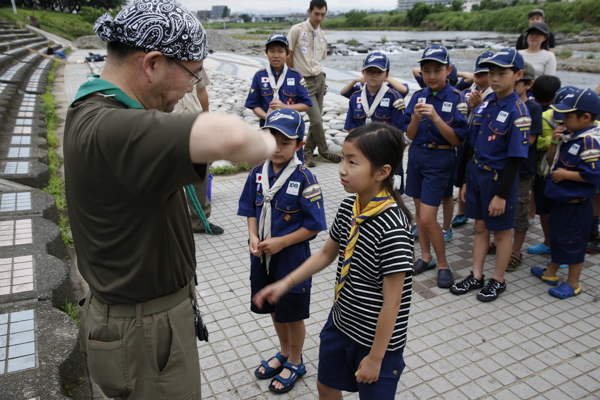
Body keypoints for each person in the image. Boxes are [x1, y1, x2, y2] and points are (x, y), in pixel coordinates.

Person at [64, 2, 276, 399]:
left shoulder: (91, 109)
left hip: (138, 324)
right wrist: (270, 141)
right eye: (193, 75)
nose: (192, 90)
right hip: (144, 333)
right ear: (153, 64)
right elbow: (230, 137)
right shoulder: (114, 127)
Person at [253, 123, 414, 400]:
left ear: (382, 172)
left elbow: (393, 302)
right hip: (341, 323)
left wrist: (376, 358)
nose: (341, 169)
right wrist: (285, 283)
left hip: (376, 341)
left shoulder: (392, 228)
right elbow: (327, 254)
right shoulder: (350, 206)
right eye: (343, 159)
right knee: (326, 386)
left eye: (353, 162)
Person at [237, 109, 327, 394]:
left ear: (300, 145)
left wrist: (281, 242)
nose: (277, 147)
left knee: (292, 313)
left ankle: (297, 361)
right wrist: (253, 235)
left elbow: (314, 226)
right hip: (263, 257)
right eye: (271, 139)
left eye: (285, 142)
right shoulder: (257, 174)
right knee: (276, 309)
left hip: (291, 258)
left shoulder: (305, 177)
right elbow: (251, 208)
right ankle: (285, 352)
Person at [451, 48, 531, 302]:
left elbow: (516, 158)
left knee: (502, 232)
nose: (494, 78)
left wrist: (501, 195)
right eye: (491, 73)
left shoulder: (519, 111)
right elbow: (472, 146)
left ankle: (498, 279)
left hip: (498, 180)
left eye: (501, 73)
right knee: (480, 227)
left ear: (518, 75)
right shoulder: (486, 103)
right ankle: (476, 275)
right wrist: (464, 181)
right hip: (476, 175)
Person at [404, 45, 469, 288]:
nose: (431, 76)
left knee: (429, 217)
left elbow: (455, 140)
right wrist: (415, 118)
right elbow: (410, 135)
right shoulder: (416, 96)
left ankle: (443, 264)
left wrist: (434, 117)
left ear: (448, 70)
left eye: (437, 70)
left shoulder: (457, 98)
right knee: (420, 215)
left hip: (440, 159)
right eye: (426, 70)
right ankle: (425, 257)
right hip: (417, 158)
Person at [531, 88, 600, 298]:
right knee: (559, 237)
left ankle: (573, 282)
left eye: (568, 116)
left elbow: (594, 175)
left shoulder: (590, 142)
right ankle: (551, 272)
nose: (563, 120)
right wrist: (554, 141)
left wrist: (565, 175)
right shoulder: (571, 136)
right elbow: (551, 161)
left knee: (573, 243)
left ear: (585, 117)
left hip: (577, 206)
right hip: (561, 201)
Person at [343, 52, 407, 195]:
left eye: (378, 72)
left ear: (386, 75)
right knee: (365, 188)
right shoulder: (355, 97)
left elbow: (398, 132)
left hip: (387, 152)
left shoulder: (394, 98)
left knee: (392, 191)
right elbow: (351, 127)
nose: (373, 75)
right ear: (363, 73)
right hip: (363, 152)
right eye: (370, 71)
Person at [288, 0, 341, 168]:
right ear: (309, 11)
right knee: (317, 120)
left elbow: (319, 60)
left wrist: (322, 82)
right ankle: (324, 150)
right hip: (304, 80)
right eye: (316, 13)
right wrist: (293, 78)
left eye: (323, 14)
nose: (319, 17)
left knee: (316, 119)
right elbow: (288, 55)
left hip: (319, 78)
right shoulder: (296, 31)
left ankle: (308, 153)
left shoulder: (323, 35)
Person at [245, 33, 313, 163]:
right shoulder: (259, 76)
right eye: (272, 51)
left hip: (291, 131)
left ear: (287, 54)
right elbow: (254, 105)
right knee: (266, 163)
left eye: (280, 51)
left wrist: (285, 107)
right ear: (266, 53)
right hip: (267, 128)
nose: (276, 55)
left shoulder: (296, 76)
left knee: (294, 165)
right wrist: (267, 117)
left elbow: (306, 104)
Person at [174, 68, 225, 234]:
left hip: (194, 123)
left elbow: (201, 90)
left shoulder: (195, 58)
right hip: (167, 123)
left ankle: (199, 221)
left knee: (199, 175)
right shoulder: (157, 57)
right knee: (167, 176)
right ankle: (169, 222)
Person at [453, 51, 495, 229]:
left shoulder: (497, 95)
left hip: (485, 146)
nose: (479, 77)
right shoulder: (466, 92)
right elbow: (457, 116)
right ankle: (462, 211)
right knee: (463, 175)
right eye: (477, 73)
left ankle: (483, 213)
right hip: (466, 141)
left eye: (485, 73)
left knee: (479, 178)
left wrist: (480, 106)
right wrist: (469, 107)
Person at [507, 62, 542, 271]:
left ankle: (516, 250)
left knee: (520, 210)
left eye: (516, 81)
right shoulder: (500, 103)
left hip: (523, 169)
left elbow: (528, 140)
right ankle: (501, 242)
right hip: (502, 169)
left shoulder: (533, 108)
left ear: (528, 84)